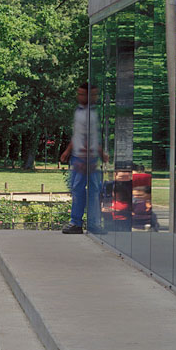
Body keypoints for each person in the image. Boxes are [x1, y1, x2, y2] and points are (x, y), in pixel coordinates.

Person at [60, 82, 104, 235]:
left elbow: (91, 137)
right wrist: (67, 151)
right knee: (79, 189)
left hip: (86, 158)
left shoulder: (92, 114)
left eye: (82, 94)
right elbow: (78, 135)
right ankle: (79, 223)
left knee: (91, 190)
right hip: (78, 156)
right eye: (78, 93)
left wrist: (89, 157)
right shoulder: (79, 112)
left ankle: (89, 223)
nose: (79, 97)